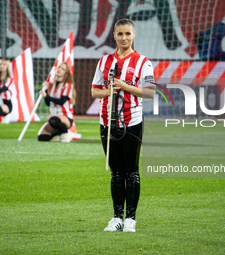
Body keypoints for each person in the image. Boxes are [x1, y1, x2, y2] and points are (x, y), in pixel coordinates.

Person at [91, 18, 154, 232]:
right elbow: (94, 91)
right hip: (106, 121)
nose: (124, 38)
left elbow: (150, 92)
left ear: (134, 35)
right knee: (116, 172)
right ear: (114, 36)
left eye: (128, 34)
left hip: (132, 120)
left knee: (132, 171)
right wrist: (109, 90)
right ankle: (116, 217)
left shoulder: (143, 61)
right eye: (120, 34)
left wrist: (125, 86)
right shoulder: (104, 61)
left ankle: (131, 219)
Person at [37, 62, 76, 143]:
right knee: (42, 137)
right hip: (54, 117)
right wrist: (46, 91)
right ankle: (60, 133)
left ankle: (66, 133)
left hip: (65, 117)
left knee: (53, 120)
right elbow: (48, 103)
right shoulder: (52, 85)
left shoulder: (68, 84)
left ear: (66, 72)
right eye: (59, 68)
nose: (59, 70)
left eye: (63, 69)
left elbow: (61, 101)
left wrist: (47, 96)